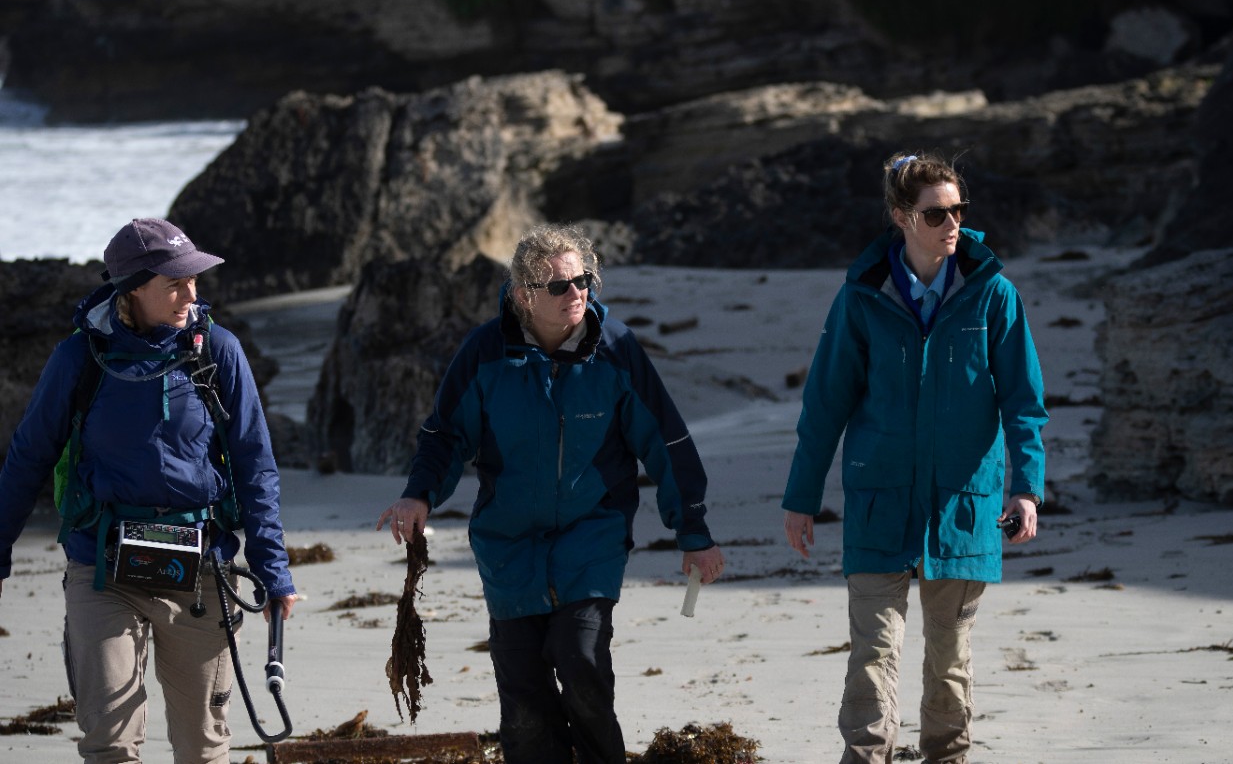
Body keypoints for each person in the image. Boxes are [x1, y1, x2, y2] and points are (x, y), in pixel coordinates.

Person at [377, 223, 724, 764]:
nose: (577, 293)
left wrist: (693, 532)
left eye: (583, 279)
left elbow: (666, 440)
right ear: (523, 296)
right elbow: (444, 435)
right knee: (524, 703)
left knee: (581, 660)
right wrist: (419, 494)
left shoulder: (616, 351)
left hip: (592, 536)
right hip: (508, 545)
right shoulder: (485, 354)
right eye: (559, 286)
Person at [781, 153, 1048, 764]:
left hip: (964, 507)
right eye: (936, 213)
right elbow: (824, 408)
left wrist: (1026, 489)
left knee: (950, 664)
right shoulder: (861, 300)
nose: (951, 223)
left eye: (959, 210)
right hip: (879, 507)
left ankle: (947, 758)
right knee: (872, 658)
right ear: (902, 217)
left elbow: (1024, 404)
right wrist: (801, 498)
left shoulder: (994, 297)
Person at [0, 218, 297, 763]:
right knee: (109, 745)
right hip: (102, 568)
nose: (191, 294)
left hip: (202, 570)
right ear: (133, 288)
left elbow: (256, 465)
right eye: (175, 283)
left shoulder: (219, 352)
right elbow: (28, 457)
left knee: (202, 747)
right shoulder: (78, 359)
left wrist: (274, 569)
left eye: (194, 280)